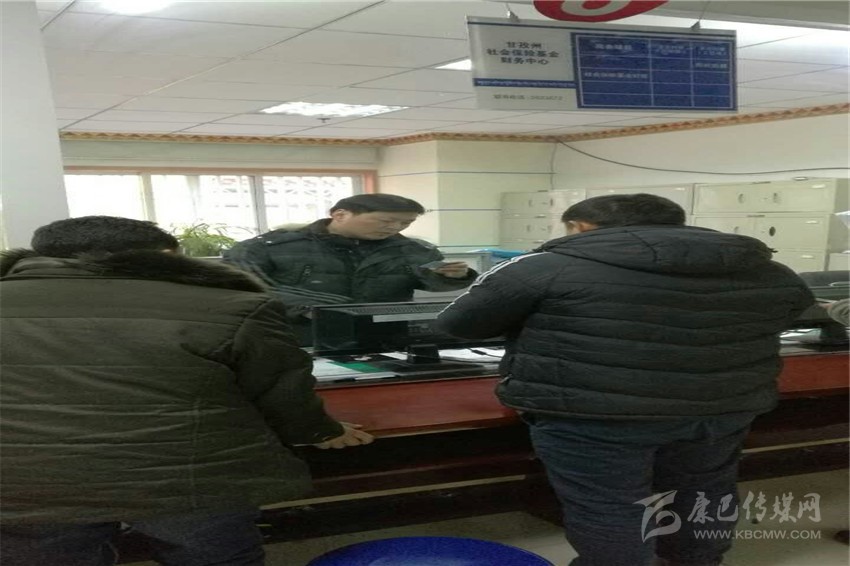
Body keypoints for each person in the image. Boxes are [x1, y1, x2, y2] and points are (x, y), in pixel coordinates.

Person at [436, 194, 814, 566]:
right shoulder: (767, 269)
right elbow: (794, 313)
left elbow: (459, 324)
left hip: (593, 411)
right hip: (724, 406)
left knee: (608, 504)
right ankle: (697, 561)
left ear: (579, 227)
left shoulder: (543, 266)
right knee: (704, 491)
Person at [0, 216, 373, 566]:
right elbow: (280, 392)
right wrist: (321, 432)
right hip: (189, 478)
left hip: (27, 478)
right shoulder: (232, 306)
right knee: (214, 558)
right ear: (165, 256)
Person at [223, 193, 476, 343]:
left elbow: (431, 284)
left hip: (382, 336)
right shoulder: (269, 247)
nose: (395, 228)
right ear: (340, 215)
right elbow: (244, 288)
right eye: (386, 220)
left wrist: (453, 277)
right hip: (295, 335)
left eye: (405, 223)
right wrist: (325, 308)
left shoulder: (413, 249)